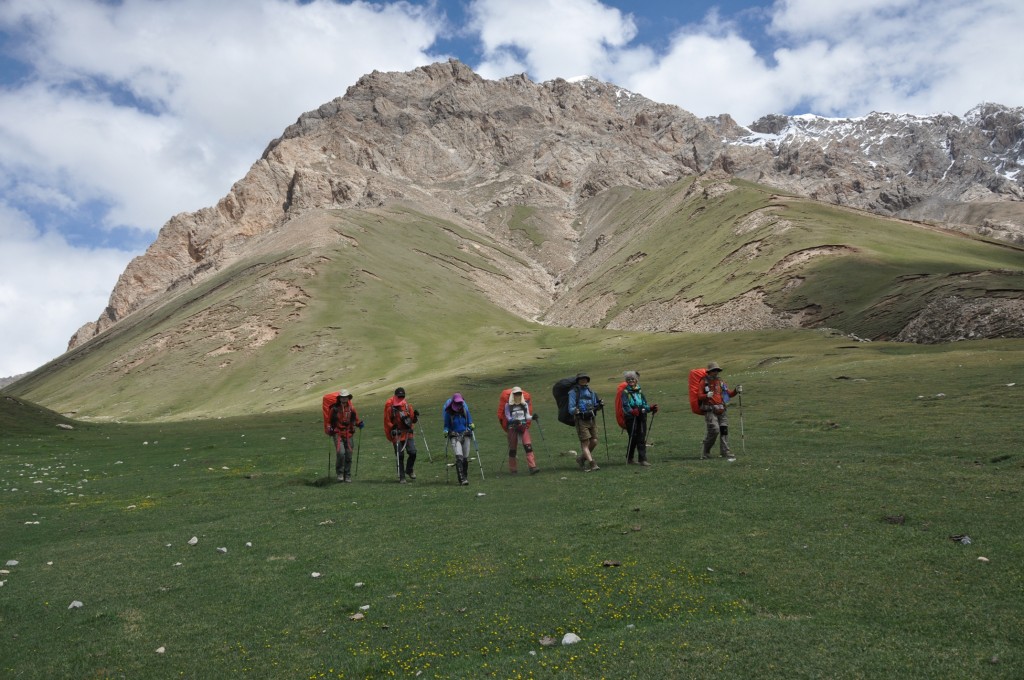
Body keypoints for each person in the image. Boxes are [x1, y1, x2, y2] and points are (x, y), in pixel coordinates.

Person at [698, 362, 741, 460]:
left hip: (722, 409)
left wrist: (736, 390)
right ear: (709, 372)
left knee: (724, 430)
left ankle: (725, 451)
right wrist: (706, 395)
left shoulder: (721, 382)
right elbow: (699, 396)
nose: (716, 372)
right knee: (714, 430)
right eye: (714, 370)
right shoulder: (703, 382)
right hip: (710, 410)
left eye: (717, 370)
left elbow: (728, 394)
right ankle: (706, 450)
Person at [620, 371, 657, 466]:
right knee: (633, 437)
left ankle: (642, 459)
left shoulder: (640, 391)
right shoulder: (625, 392)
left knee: (641, 437)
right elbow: (625, 405)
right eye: (628, 379)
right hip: (630, 417)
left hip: (641, 415)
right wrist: (631, 411)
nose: (631, 381)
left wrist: (651, 408)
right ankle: (630, 458)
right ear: (626, 381)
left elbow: (644, 404)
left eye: (632, 379)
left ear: (636, 380)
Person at [567, 372, 602, 471]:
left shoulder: (591, 392)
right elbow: (570, 408)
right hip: (580, 420)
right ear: (577, 381)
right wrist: (575, 410)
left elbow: (595, 405)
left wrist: (599, 405)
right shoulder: (573, 392)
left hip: (591, 419)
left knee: (594, 441)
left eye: (585, 378)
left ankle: (581, 458)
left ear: (587, 380)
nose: (583, 380)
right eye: (581, 379)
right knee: (585, 442)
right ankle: (592, 463)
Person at [384, 387, 419, 482]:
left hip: (408, 433)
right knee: (400, 455)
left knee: (413, 452)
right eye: (399, 396)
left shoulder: (407, 406)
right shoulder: (390, 407)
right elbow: (387, 421)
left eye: (402, 396)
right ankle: (402, 476)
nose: (400, 397)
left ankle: (409, 469)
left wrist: (415, 417)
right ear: (395, 396)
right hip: (397, 434)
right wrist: (393, 428)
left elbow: (411, 419)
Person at [328, 389, 364, 482]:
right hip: (338, 433)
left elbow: (356, 420)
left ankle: (347, 475)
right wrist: (330, 428)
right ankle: (339, 473)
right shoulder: (334, 409)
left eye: (346, 397)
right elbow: (329, 422)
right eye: (342, 397)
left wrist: (359, 423)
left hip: (349, 434)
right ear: (339, 398)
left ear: (348, 398)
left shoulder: (352, 408)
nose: (344, 399)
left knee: (348, 455)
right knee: (340, 453)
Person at [504, 387, 540, 475]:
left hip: (523, 427)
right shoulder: (508, 405)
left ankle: (532, 467)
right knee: (512, 449)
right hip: (512, 428)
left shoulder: (525, 405)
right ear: (513, 394)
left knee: (528, 446)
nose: (518, 395)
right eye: (516, 394)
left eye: (519, 393)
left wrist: (532, 417)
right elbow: (507, 417)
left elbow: (527, 416)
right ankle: (513, 469)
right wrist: (513, 420)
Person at [443, 393, 475, 486]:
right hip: (455, 436)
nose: (459, 405)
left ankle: (465, 476)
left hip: (466, 435)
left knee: (465, 458)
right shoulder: (448, 413)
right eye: (457, 403)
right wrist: (445, 431)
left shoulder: (465, 411)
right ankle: (462, 479)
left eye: (460, 403)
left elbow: (470, 422)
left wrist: (471, 426)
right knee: (459, 457)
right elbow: (446, 426)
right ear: (453, 402)